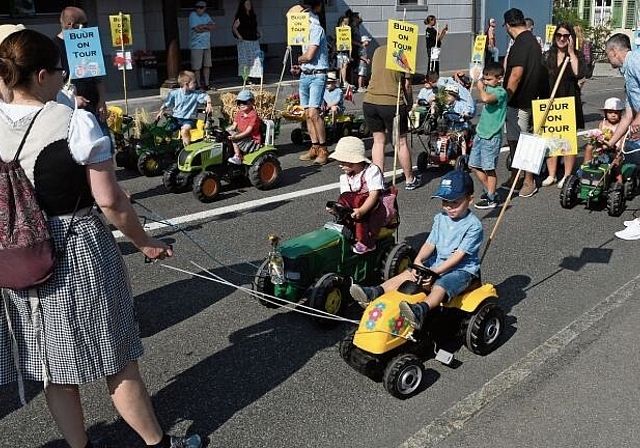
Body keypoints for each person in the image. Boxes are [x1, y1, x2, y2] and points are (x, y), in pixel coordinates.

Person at [0, 29, 201, 448]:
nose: (64, 79)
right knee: (116, 359)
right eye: (59, 71)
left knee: (51, 366)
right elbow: (110, 201)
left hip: (18, 253)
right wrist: (145, 242)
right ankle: (157, 443)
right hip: (74, 244)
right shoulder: (74, 121)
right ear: (40, 75)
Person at [350, 170, 482, 330]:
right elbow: (430, 244)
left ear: (470, 199)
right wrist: (418, 261)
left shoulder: (473, 226)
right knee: (408, 273)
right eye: (444, 201)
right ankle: (375, 291)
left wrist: (436, 272)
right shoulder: (441, 218)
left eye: (455, 202)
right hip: (437, 262)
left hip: (462, 271)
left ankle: (421, 310)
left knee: (442, 284)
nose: (448, 207)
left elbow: (459, 256)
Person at [501, 8, 548, 198]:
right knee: (514, 140)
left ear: (508, 25)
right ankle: (516, 174)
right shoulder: (533, 41)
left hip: (520, 100)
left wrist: (505, 98)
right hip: (526, 99)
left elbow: (516, 75)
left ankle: (529, 180)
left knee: (523, 142)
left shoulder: (521, 43)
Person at [363, 45, 421, 190]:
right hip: (391, 103)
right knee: (400, 142)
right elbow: (407, 85)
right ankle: (409, 179)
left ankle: (379, 181)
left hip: (370, 100)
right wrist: (410, 103)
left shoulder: (377, 50)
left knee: (378, 142)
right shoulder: (405, 53)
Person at [540, 23, 587, 190]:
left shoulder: (577, 56)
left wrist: (572, 52)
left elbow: (579, 73)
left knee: (567, 139)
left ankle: (567, 175)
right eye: (559, 35)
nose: (561, 38)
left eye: (566, 36)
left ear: (571, 38)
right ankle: (551, 174)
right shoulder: (547, 56)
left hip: (568, 100)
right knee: (550, 139)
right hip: (550, 100)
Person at [603, 33, 640, 240]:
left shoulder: (635, 61)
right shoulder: (628, 73)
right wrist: (609, 143)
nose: (609, 60)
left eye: (608, 55)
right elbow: (627, 115)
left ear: (614, 51)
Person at [327, 137, 386, 254]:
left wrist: (362, 210)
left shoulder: (371, 171)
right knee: (346, 208)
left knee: (359, 210)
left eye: (343, 162)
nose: (340, 165)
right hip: (353, 208)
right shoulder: (344, 177)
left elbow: (374, 194)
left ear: (354, 161)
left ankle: (366, 243)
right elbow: (345, 197)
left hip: (372, 208)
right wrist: (336, 208)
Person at [292, 0, 330, 165]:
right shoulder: (302, 27)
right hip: (306, 74)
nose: (302, 13)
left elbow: (308, 56)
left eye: (306, 9)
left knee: (314, 113)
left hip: (317, 75)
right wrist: (298, 66)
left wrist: (298, 60)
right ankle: (314, 147)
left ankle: (323, 148)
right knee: (307, 114)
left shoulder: (316, 28)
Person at [54, 7, 107, 122]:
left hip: (94, 105)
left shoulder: (88, 42)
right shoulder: (54, 48)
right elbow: (53, 82)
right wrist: (71, 99)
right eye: (85, 24)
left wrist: (102, 100)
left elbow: (97, 77)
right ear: (71, 25)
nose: (87, 28)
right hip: (70, 110)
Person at [469, 62, 508, 209]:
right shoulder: (488, 86)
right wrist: (477, 76)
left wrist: (480, 87)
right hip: (481, 133)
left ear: (499, 79)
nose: (486, 82)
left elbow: (486, 98)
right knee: (473, 165)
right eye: (485, 79)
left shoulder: (500, 92)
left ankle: (491, 197)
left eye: (489, 79)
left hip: (492, 136)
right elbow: (478, 80)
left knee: (489, 168)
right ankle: (490, 191)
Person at [156, 70, 213, 147]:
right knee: (164, 129)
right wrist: (161, 111)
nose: (196, 84)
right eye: (194, 82)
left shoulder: (196, 94)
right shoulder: (174, 93)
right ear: (186, 84)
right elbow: (166, 103)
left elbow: (206, 96)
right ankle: (167, 146)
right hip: (176, 118)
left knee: (184, 130)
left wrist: (209, 104)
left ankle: (186, 147)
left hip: (188, 120)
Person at [583, 97, 624, 164]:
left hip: (616, 148)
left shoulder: (621, 125)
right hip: (603, 145)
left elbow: (623, 138)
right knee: (589, 147)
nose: (613, 115)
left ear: (620, 113)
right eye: (610, 112)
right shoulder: (603, 123)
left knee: (617, 160)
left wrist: (620, 147)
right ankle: (586, 165)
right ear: (605, 113)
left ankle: (618, 173)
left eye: (616, 113)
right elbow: (599, 136)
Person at [226, 89, 262, 164]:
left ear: (252, 102)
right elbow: (233, 126)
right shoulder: (239, 113)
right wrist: (226, 131)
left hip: (251, 140)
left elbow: (248, 132)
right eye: (239, 103)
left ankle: (238, 156)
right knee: (227, 134)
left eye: (244, 102)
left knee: (234, 138)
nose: (241, 105)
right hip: (243, 136)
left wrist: (236, 137)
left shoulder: (253, 116)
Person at [233, 0, 262, 83]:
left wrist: (258, 32)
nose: (249, 5)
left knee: (256, 59)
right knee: (245, 60)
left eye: (249, 4)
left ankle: (256, 77)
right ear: (243, 5)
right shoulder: (241, 16)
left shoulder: (253, 15)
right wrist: (239, 36)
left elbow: (254, 26)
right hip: (244, 41)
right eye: (247, 4)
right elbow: (234, 27)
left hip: (253, 40)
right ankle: (246, 78)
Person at [189, 1, 216, 90]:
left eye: (201, 7)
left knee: (207, 65)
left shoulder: (206, 16)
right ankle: (199, 84)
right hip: (196, 45)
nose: (199, 9)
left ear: (205, 8)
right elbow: (196, 29)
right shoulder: (192, 15)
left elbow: (213, 27)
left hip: (206, 44)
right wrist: (207, 27)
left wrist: (203, 26)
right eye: (197, 7)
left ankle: (207, 84)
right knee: (197, 66)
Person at [573, 24, 592, 89]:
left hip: (577, 70)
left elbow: (587, 59)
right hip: (582, 72)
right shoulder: (586, 43)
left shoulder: (584, 44)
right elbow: (588, 59)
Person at [335, 16, 351, 89]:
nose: (347, 24)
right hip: (341, 52)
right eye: (345, 22)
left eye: (348, 22)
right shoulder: (339, 31)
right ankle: (343, 81)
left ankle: (342, 81)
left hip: (344, 52)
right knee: (342, 67)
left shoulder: (347, 31)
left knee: (343, 66)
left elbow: (349, 44)